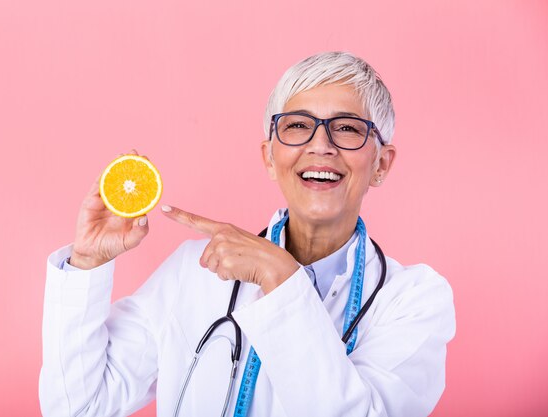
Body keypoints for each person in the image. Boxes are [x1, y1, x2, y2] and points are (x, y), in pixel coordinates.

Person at [39, 51, 456, 417]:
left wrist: (281, 278)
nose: (320, 145)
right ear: (270, 157)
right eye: (297, 125)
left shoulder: (415, 299)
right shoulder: (193, 270)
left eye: (347, 128)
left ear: (381, 164)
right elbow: (77, 407)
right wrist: (87, 263)